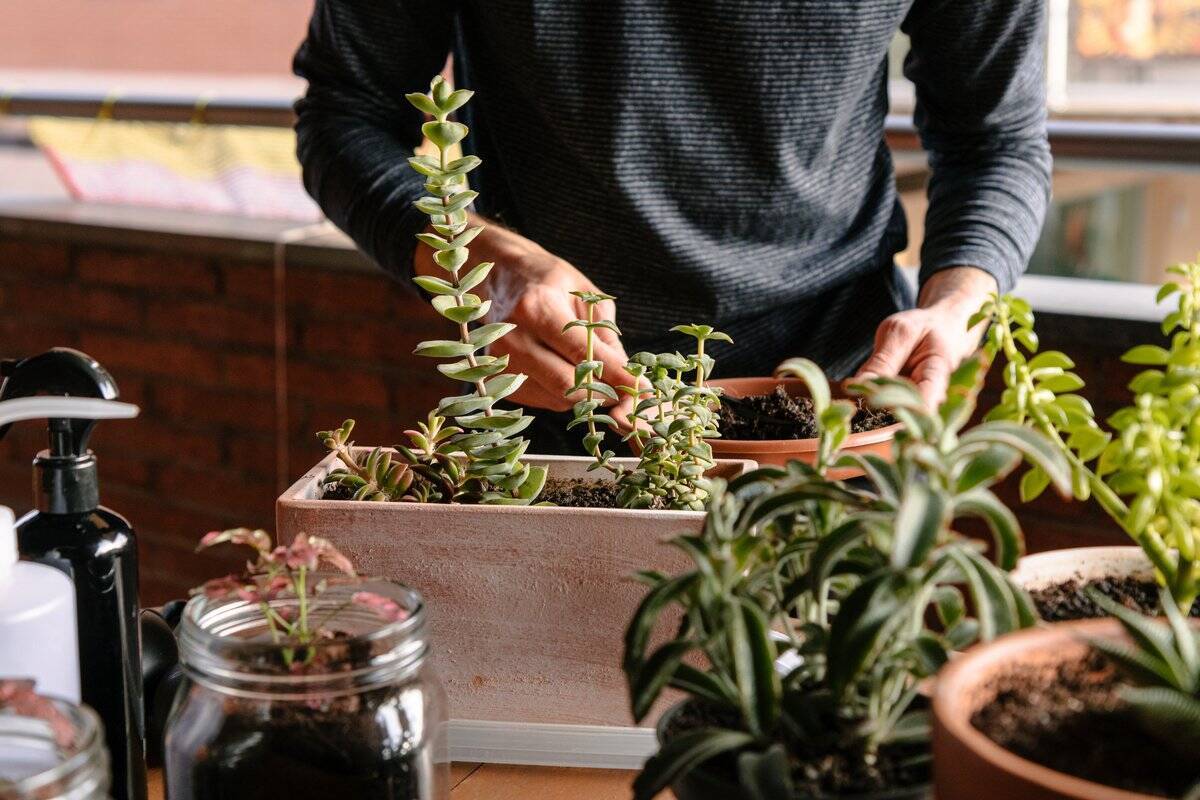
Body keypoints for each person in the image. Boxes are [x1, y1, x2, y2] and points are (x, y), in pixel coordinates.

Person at [293, 2, 1049, 452]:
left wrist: (958, 304)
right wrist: (475, 255)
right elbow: (345, 114)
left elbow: (997, 139)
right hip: (555, 407)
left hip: (845, 411)